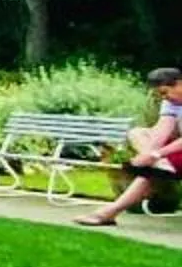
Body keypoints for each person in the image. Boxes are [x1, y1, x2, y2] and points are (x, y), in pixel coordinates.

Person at [76, 67, 182, 227]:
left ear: (179, 84)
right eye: (160, 95)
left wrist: (156, 155)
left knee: (151, 170)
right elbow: (162, 130)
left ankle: (107, 214)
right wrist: (150, 155)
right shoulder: (170, 102)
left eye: (165, 92)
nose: (164, 97)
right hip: (174, 150)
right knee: (137, 134)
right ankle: (107, 213)